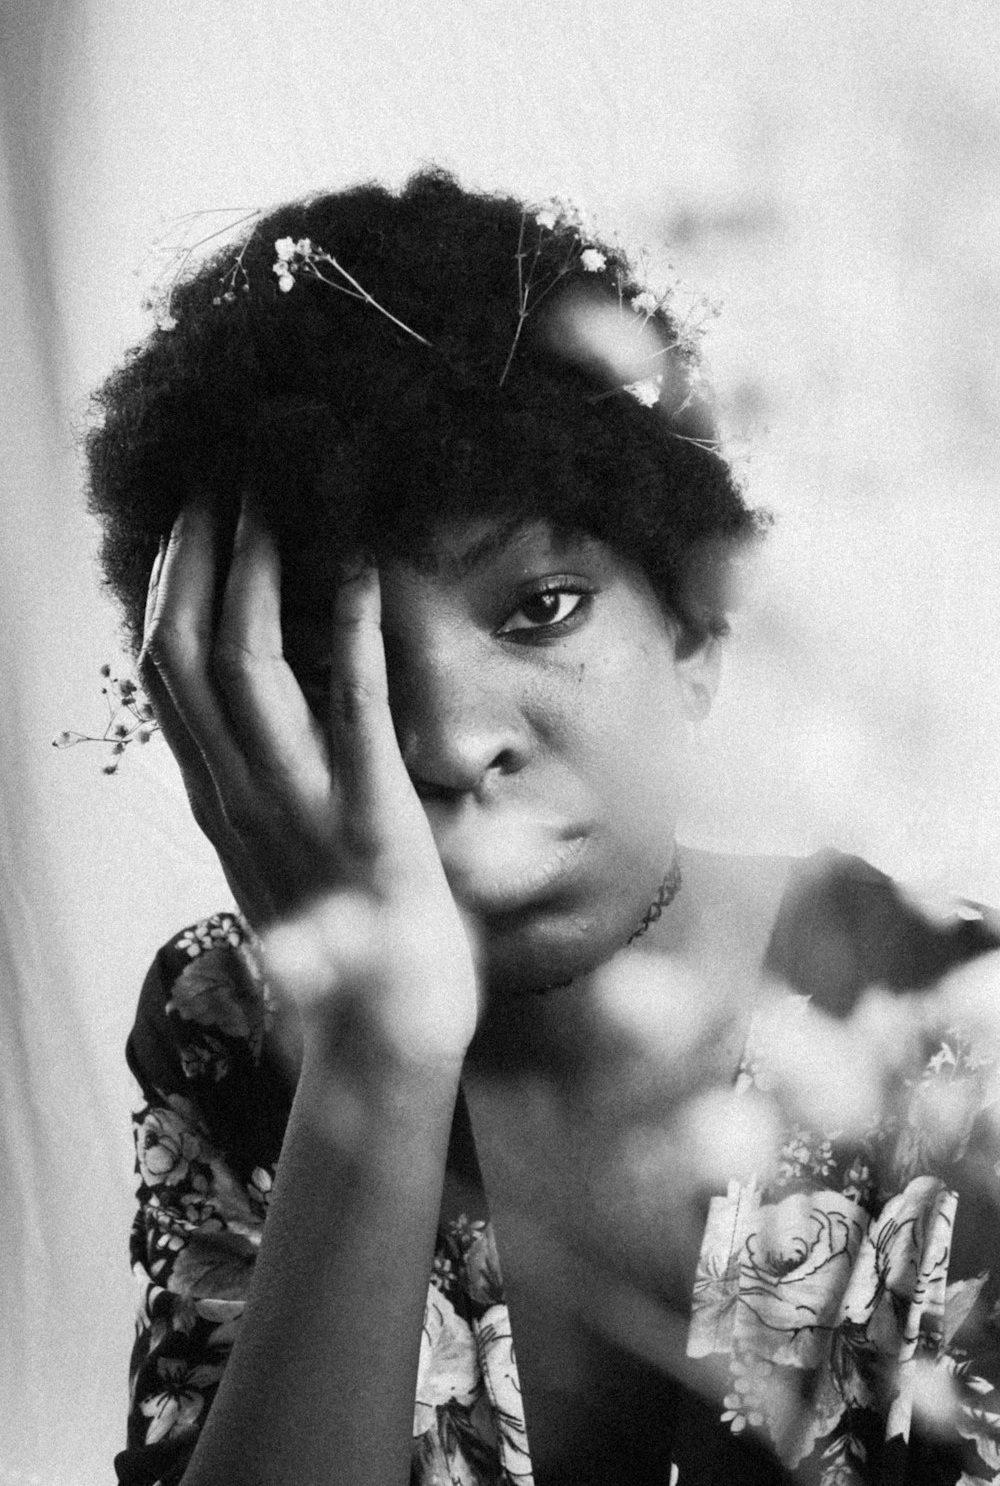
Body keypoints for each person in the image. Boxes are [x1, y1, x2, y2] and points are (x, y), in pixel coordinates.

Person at [85, 169, 1000, 1486]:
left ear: (689, 632)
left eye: (543, 607)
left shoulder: (957, 1023)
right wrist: (370, 1059)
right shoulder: (230, 1021)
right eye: (336, 664)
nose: (452, 743)